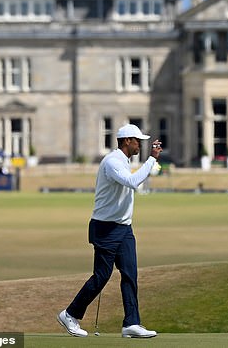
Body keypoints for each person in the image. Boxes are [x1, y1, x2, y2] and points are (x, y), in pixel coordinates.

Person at [58, 124, 162, 338]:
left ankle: (131, 324)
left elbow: (135, 182)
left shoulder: (123, 161)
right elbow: (133, 182)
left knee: (130, 274)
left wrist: (152, 162)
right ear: (126, 141)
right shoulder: (113, 161)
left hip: (124, 228)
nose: (140, 145)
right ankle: (70, 314)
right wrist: (151, 159)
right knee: (101, 276)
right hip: (105, 228)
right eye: (137, 141)